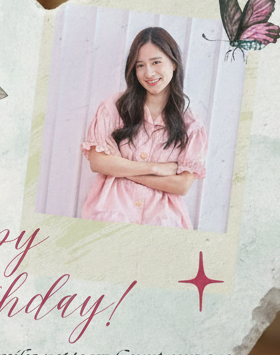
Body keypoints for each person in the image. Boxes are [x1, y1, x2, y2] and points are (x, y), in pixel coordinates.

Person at [81, 27, 208, 229]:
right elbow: (97, 162)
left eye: (156, 62)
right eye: (140, 65)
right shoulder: (114, 107)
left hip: (163, 220)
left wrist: (120, 169)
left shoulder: (191, 124)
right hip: (112, 213)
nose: (148, 73)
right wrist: (156, 168)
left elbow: (182, 185)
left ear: (174, 63)